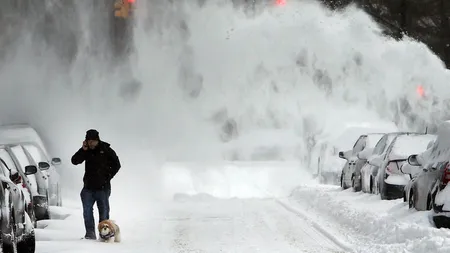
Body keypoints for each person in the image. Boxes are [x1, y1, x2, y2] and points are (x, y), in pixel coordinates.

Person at [71, 129, 121, 240]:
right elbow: (74, 161)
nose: (91, 143)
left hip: (103, 188)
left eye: (93, 141)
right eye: (89, 141)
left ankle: (105, 235)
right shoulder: (86, 151)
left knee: (104, 212)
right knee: (87, 212)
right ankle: (90, 234)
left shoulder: (106, 150)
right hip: (88, 188)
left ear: (97, 140)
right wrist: (83, 150)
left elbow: (117, 164)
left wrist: (108, 176)